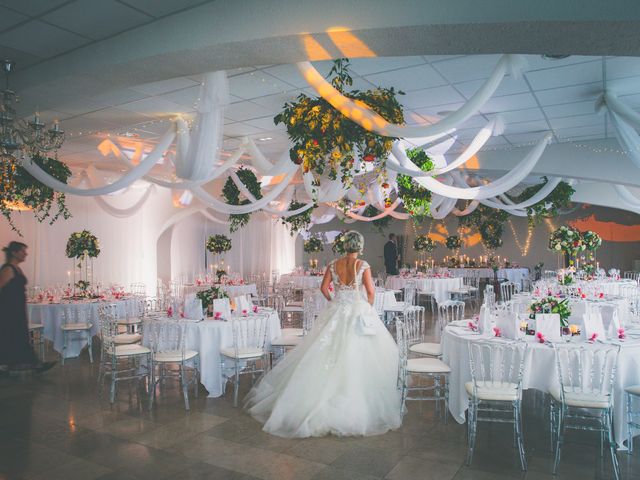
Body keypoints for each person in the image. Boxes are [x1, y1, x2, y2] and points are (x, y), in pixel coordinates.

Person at [245, 230, 402, 437]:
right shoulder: (363, 265)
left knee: (321, 351)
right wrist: (367, 309)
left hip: (336, 310)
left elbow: (323, 288)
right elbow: (371, 292)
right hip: (357, 310)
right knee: (361, 356)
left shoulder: (333, 265)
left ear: (345, 246)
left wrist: (334, 300)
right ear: (360, 246)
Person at [0, 242, 55, 373]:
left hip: (17, 309)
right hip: (8, 310)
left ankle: (30, 363)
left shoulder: (16, 268)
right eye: (23, 251)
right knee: (12, 335)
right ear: (14, 252)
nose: (26, 254)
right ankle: (33, 364)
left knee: (20, 336)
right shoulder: (8, 269)